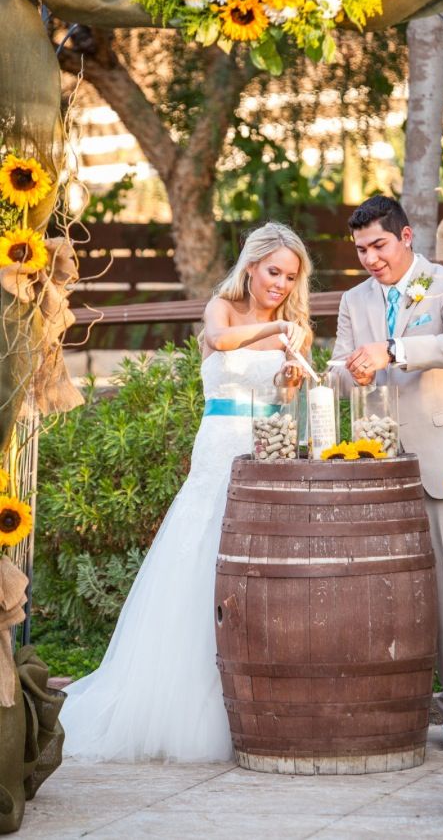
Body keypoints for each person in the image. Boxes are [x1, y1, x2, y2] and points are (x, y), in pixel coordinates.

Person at [60, 222, 313, 762]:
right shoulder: (222, 309)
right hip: (219, 444)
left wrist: (292, 367)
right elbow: (218, 342)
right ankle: (173, 697)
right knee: (197, 557)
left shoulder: (296, 328)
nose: (281, 285)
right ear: (252, 267)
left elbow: (287, 395)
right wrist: (272, 334)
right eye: (274, 272)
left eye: (291, 278)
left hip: (265, 446)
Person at [330, 195, 443, 751]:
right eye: (361, 249)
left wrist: (391, 349)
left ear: (406, 236)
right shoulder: (352, 299)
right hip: (377, 462)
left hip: (440, 456)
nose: (370, 258)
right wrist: (353, 373)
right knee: (387, 591)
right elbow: (342, 365)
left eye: (378, 245)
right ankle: (398, 701)